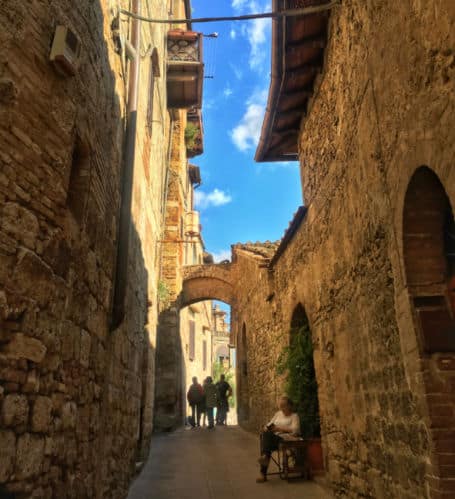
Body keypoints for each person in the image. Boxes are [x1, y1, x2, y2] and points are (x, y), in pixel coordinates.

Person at [256, 396, 301, 483]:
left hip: (285, 439)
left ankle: (263, 474)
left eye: (284, 406)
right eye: (280, 406)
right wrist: (266, 427)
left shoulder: (294, 416)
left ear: (290, 406)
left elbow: (296, 430)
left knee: (266, 445)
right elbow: (269, 424)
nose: (282, 408)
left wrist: (279, 429)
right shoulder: (278, 414)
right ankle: (265, 457)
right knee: (266, 438)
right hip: (274, 439)